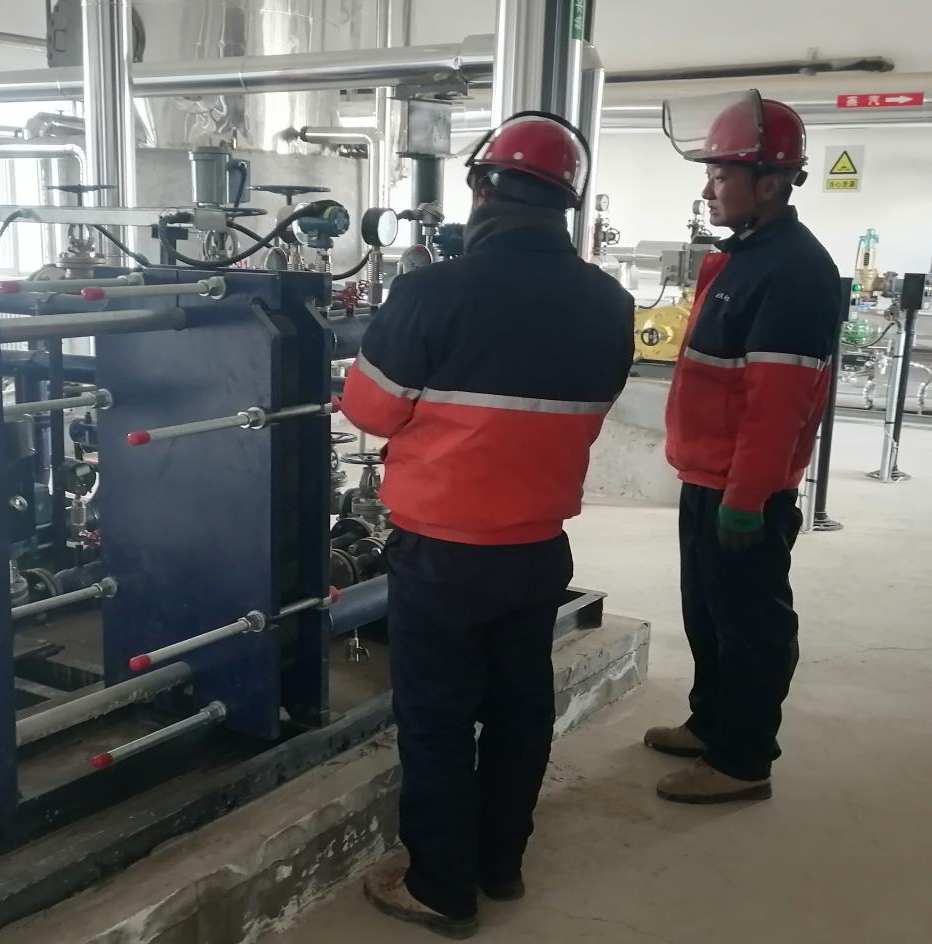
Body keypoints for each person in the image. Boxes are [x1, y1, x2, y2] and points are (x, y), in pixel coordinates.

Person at [338, 112, 635, 938]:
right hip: (537, 547)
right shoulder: (609, 303)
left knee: (437, 718)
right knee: (517, 708)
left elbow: (368, 410)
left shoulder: (431, 292)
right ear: (565, 203)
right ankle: (499, 864)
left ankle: (439, 886)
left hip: (442, 552)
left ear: (479, 187)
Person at [644, 92, 843, 803]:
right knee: (707, 614)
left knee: (751, 623)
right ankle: (711, 723)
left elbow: (778, 404)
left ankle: (742, 760)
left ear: (770, 183)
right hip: (708, 474)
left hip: (742, 487)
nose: (708, 189)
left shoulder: (792, 271)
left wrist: (747, 498)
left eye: (721, 174)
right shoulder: (746, 256)